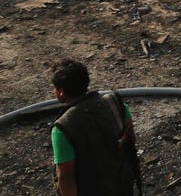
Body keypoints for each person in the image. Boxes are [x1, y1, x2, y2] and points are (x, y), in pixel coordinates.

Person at [49, 59, 141, 196]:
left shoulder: (62, 128)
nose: (53, 91)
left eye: (54, 88)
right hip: (122, 186)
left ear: (61, 92)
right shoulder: (115, 104)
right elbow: (130, 142)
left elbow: (66, 177)